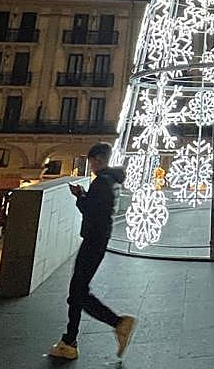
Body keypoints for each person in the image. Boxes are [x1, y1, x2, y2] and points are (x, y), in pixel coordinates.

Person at [48, 143, 135, 361]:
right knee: (77, 292)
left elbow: (91, 211)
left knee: (78, 292)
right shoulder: (111, 181)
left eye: (91, 161)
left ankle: (115, 325)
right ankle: (70, 340)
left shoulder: (101, 182)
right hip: (99, 240)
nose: (91, 165)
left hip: (93, 241)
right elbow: (99, 208)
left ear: (97, 159)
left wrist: (80, 197)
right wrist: (85, 195)